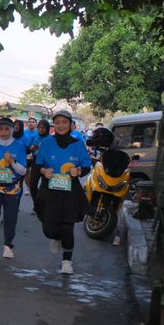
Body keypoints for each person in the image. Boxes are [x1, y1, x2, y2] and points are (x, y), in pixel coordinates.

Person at [34, 110, 92, 275]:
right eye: (57, 122)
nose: (61, 125)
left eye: (64, 122)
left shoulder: (78, 144)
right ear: (54, 125)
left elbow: (86, 166)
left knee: (67, 227)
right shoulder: (46, 143)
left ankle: (67, 261)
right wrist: (44, 171)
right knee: (49, 230)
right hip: (49, 192)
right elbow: (38, 166)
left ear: (71, 125)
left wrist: (78, 171)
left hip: (70, 193)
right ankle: (55, 237)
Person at [0, 117, 27, 261]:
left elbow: (23, 171)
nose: (3, 132)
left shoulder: (19, 146)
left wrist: (12, 162)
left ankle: (8, 245)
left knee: (10, 217)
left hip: (13, 188)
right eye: (0, 129)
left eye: (7, 129)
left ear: (12, 130)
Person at [28, 119, 51, 201]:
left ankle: (43, 204)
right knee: (32, 184)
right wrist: (31, 148)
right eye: (39, 127)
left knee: (45, 186)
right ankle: (37, 203)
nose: (41, 129)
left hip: (47, 164)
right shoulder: (34, 137)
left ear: (47, 128)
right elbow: (28, 150)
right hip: (35, 163)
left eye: (43, 128)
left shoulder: (51, 138)